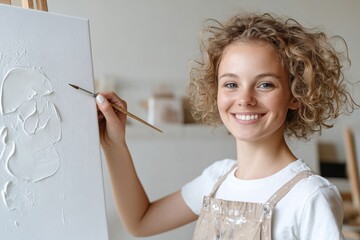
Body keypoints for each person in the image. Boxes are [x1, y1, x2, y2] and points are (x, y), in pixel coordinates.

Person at [96, 12, 358, 239]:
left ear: (295, 94)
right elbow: (141, 222)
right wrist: (113, 144)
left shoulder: (310, 196)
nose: (244, 99)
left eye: (265, 84)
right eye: (231, 84)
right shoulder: (216, 179)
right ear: (216, 92)